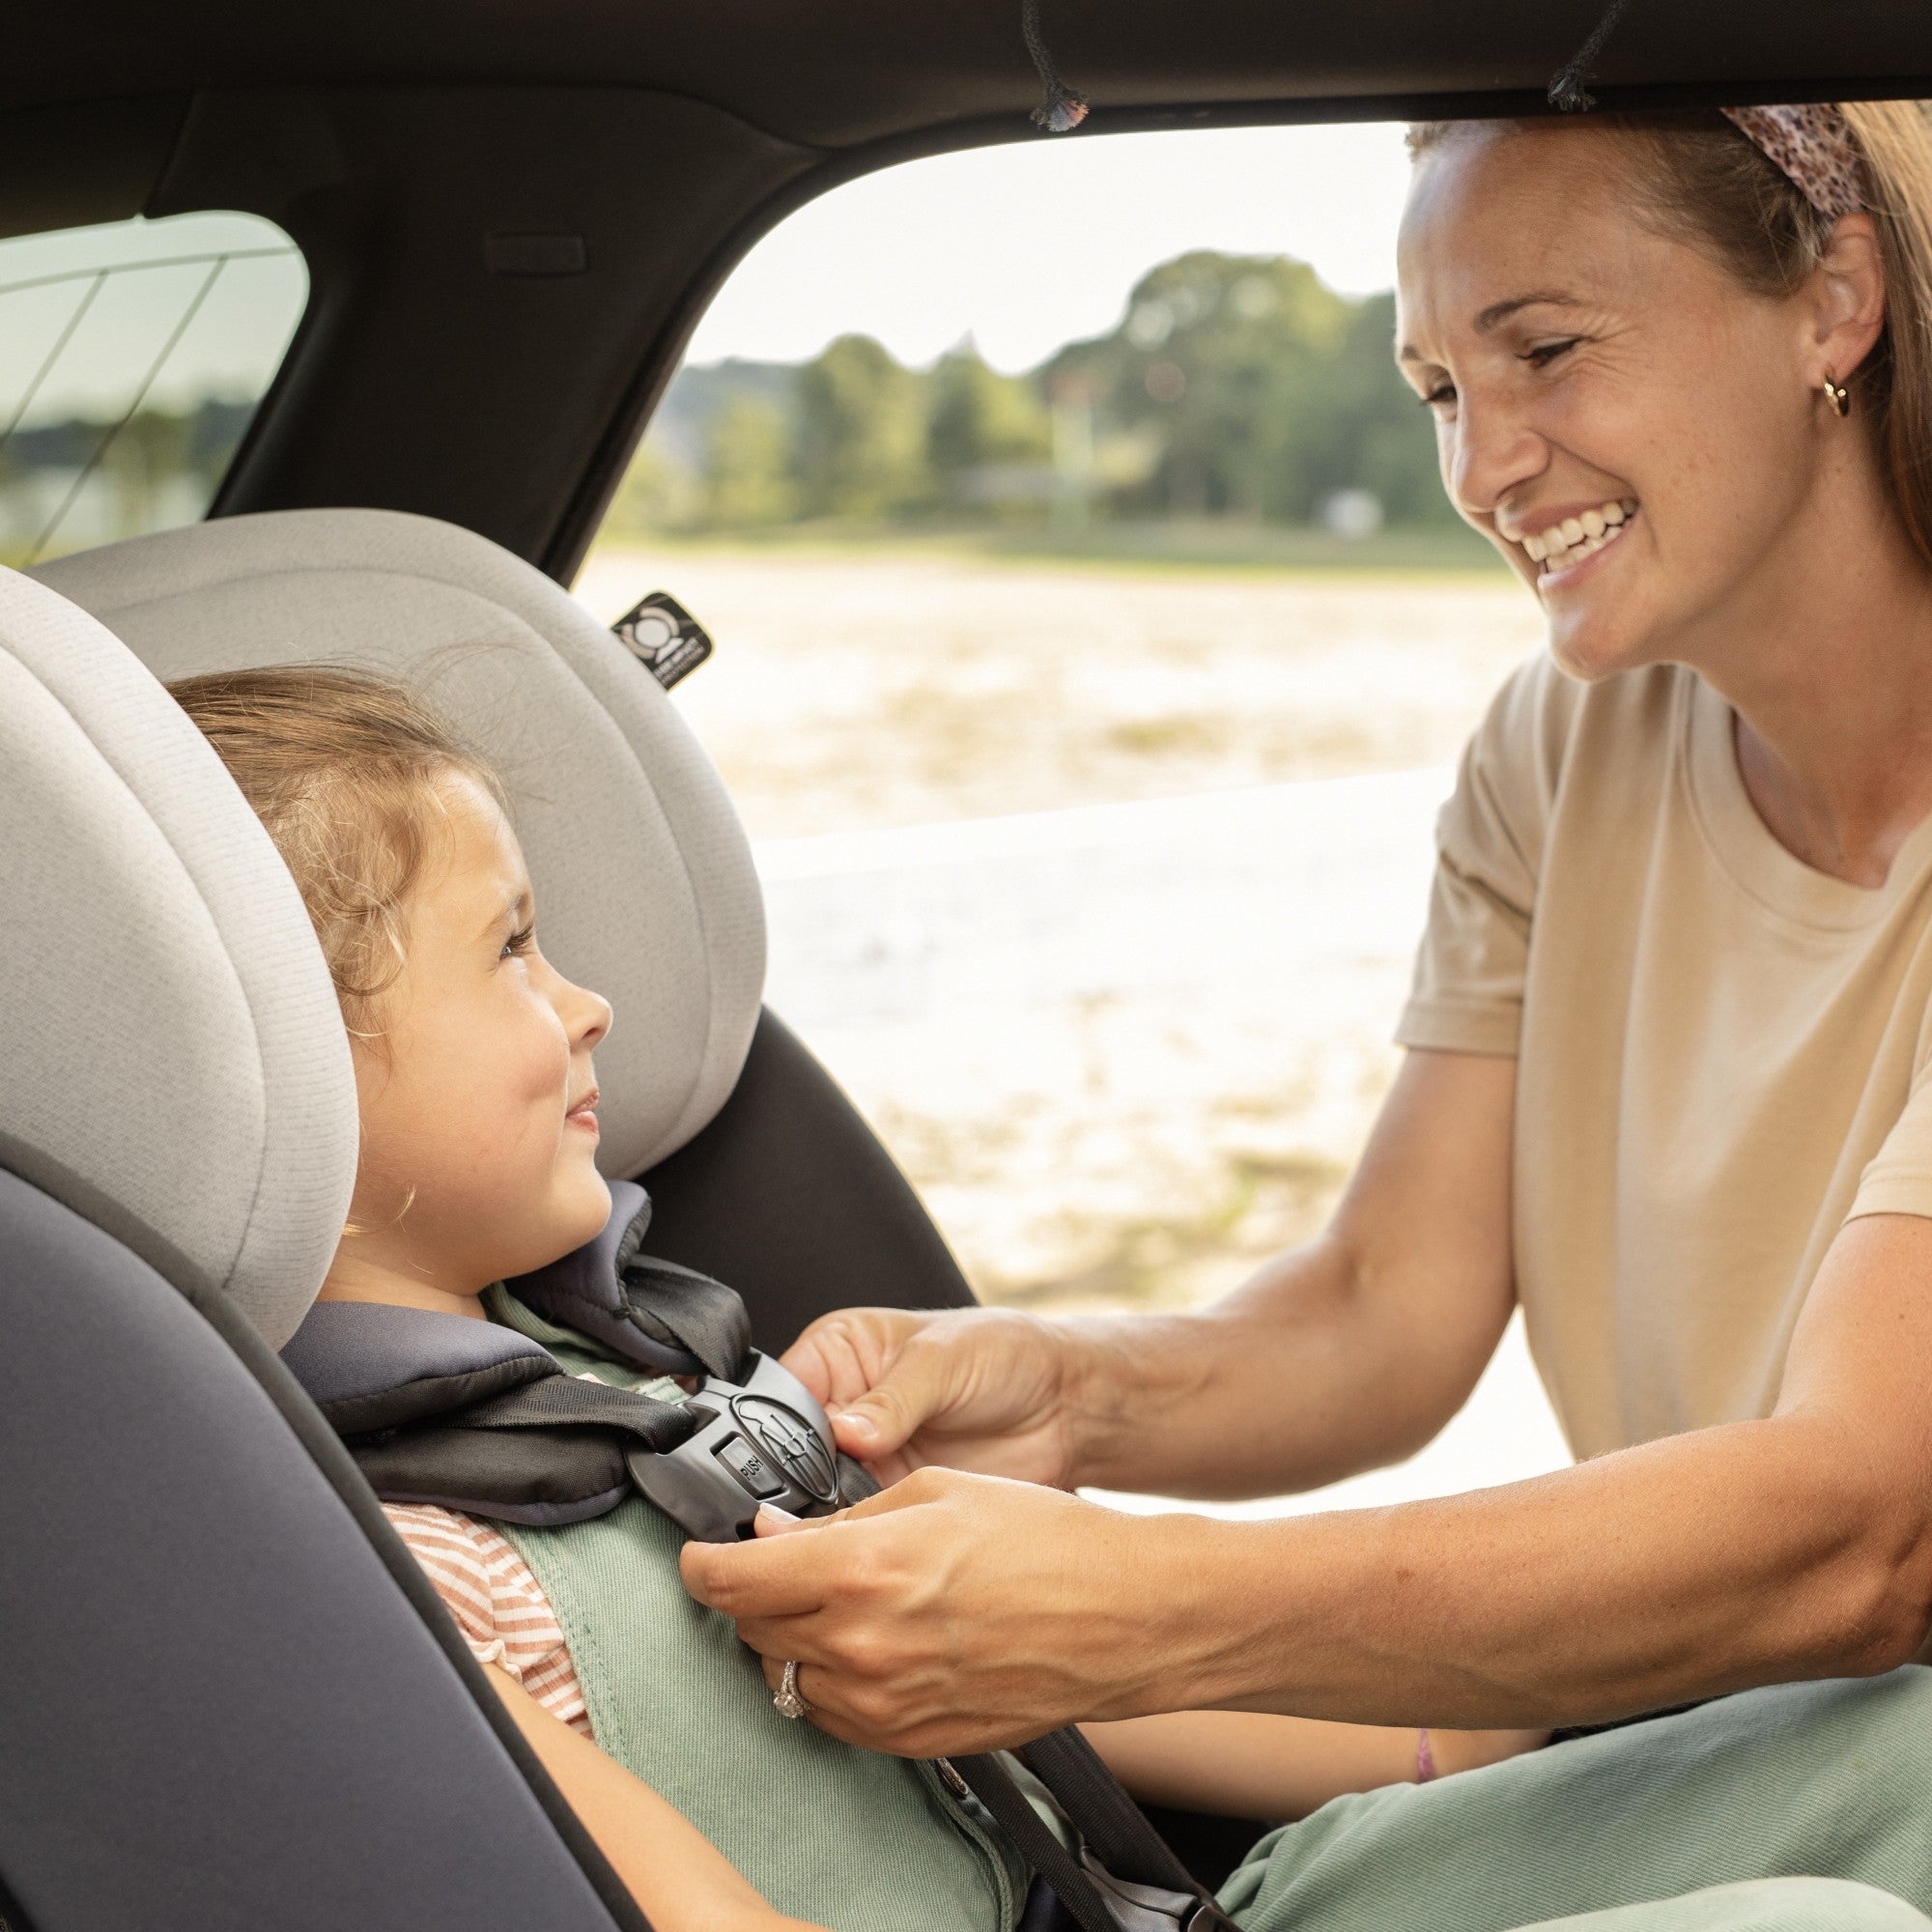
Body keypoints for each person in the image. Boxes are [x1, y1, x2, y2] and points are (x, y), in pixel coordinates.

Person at [678, 101, 1932, 1930]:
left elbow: (1864, 1530)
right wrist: (1068, 1390)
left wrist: (1139, 1606)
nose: (1486, 464)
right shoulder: (1560, 746)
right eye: (1437, 389)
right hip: (1694, 1732)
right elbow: (1383, 1311)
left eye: (1548, 350)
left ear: (1836, 300)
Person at [167, 664, 1552, 1932]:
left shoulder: (649, 1376)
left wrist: (1469, 1730)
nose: (588, 1004)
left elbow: (1044, 1678)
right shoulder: (411, 1584)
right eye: (514, 949)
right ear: (290, 1067)